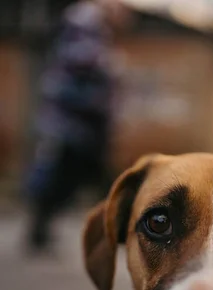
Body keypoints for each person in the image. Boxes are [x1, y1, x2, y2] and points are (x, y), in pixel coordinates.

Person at [25, 0, 128, 252]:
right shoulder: (84, 19)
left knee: (79, 173)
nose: (125, 18)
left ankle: (115, 225)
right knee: (65, 172)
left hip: (82, 119)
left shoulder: (94, 24)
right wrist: (112, 66)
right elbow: (82, 60)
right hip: (71, 119)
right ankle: (117, 225)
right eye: (123, 10)